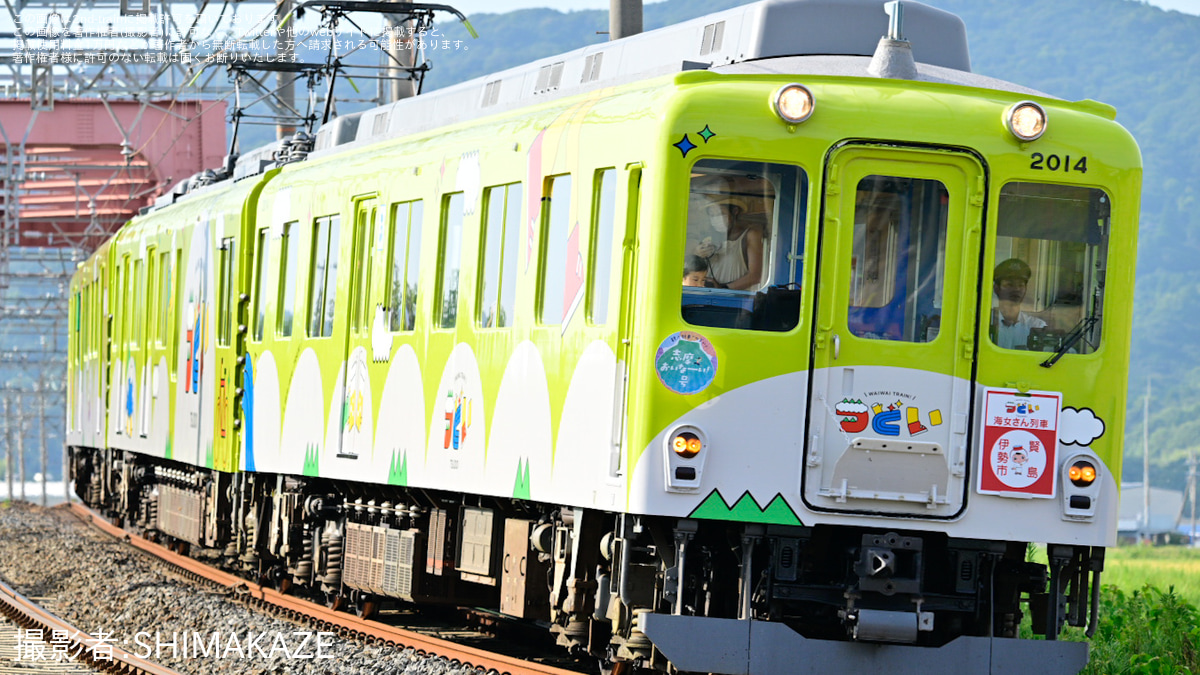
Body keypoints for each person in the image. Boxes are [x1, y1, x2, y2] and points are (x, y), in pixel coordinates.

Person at [698, 196, 764, 290]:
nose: (716, 218)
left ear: (735, 211)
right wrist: (697, 254)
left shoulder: (750, 235)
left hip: (734, 298)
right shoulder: (708, 238)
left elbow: (755, 276)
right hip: (707, 295)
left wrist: (724, 289)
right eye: (712, 215)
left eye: (721, 213)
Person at [991, 258, 1046, 349]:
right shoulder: (984, 323)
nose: (1016, 289)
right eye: (1009, 285)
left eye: (1021, 285)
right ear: (996, 289)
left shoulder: (1036, 326)